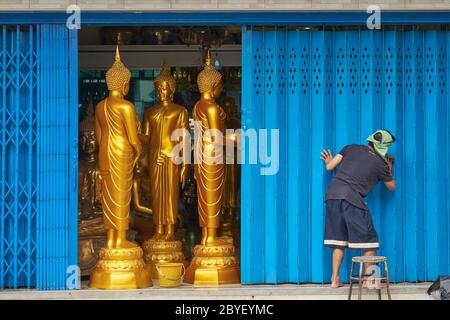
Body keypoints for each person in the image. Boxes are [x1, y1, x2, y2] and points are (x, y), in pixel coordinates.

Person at [320, 129, 396, 288]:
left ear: (369, 141)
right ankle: (369, 280)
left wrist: (328, 161)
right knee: (369, 241)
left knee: (338, 240)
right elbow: (392, 187)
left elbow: (330, 166)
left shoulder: (351, 147)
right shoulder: (381, 164)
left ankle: (334, 280)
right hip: (352, 198)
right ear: (383, 148)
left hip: (332, 195)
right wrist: (389, 168)